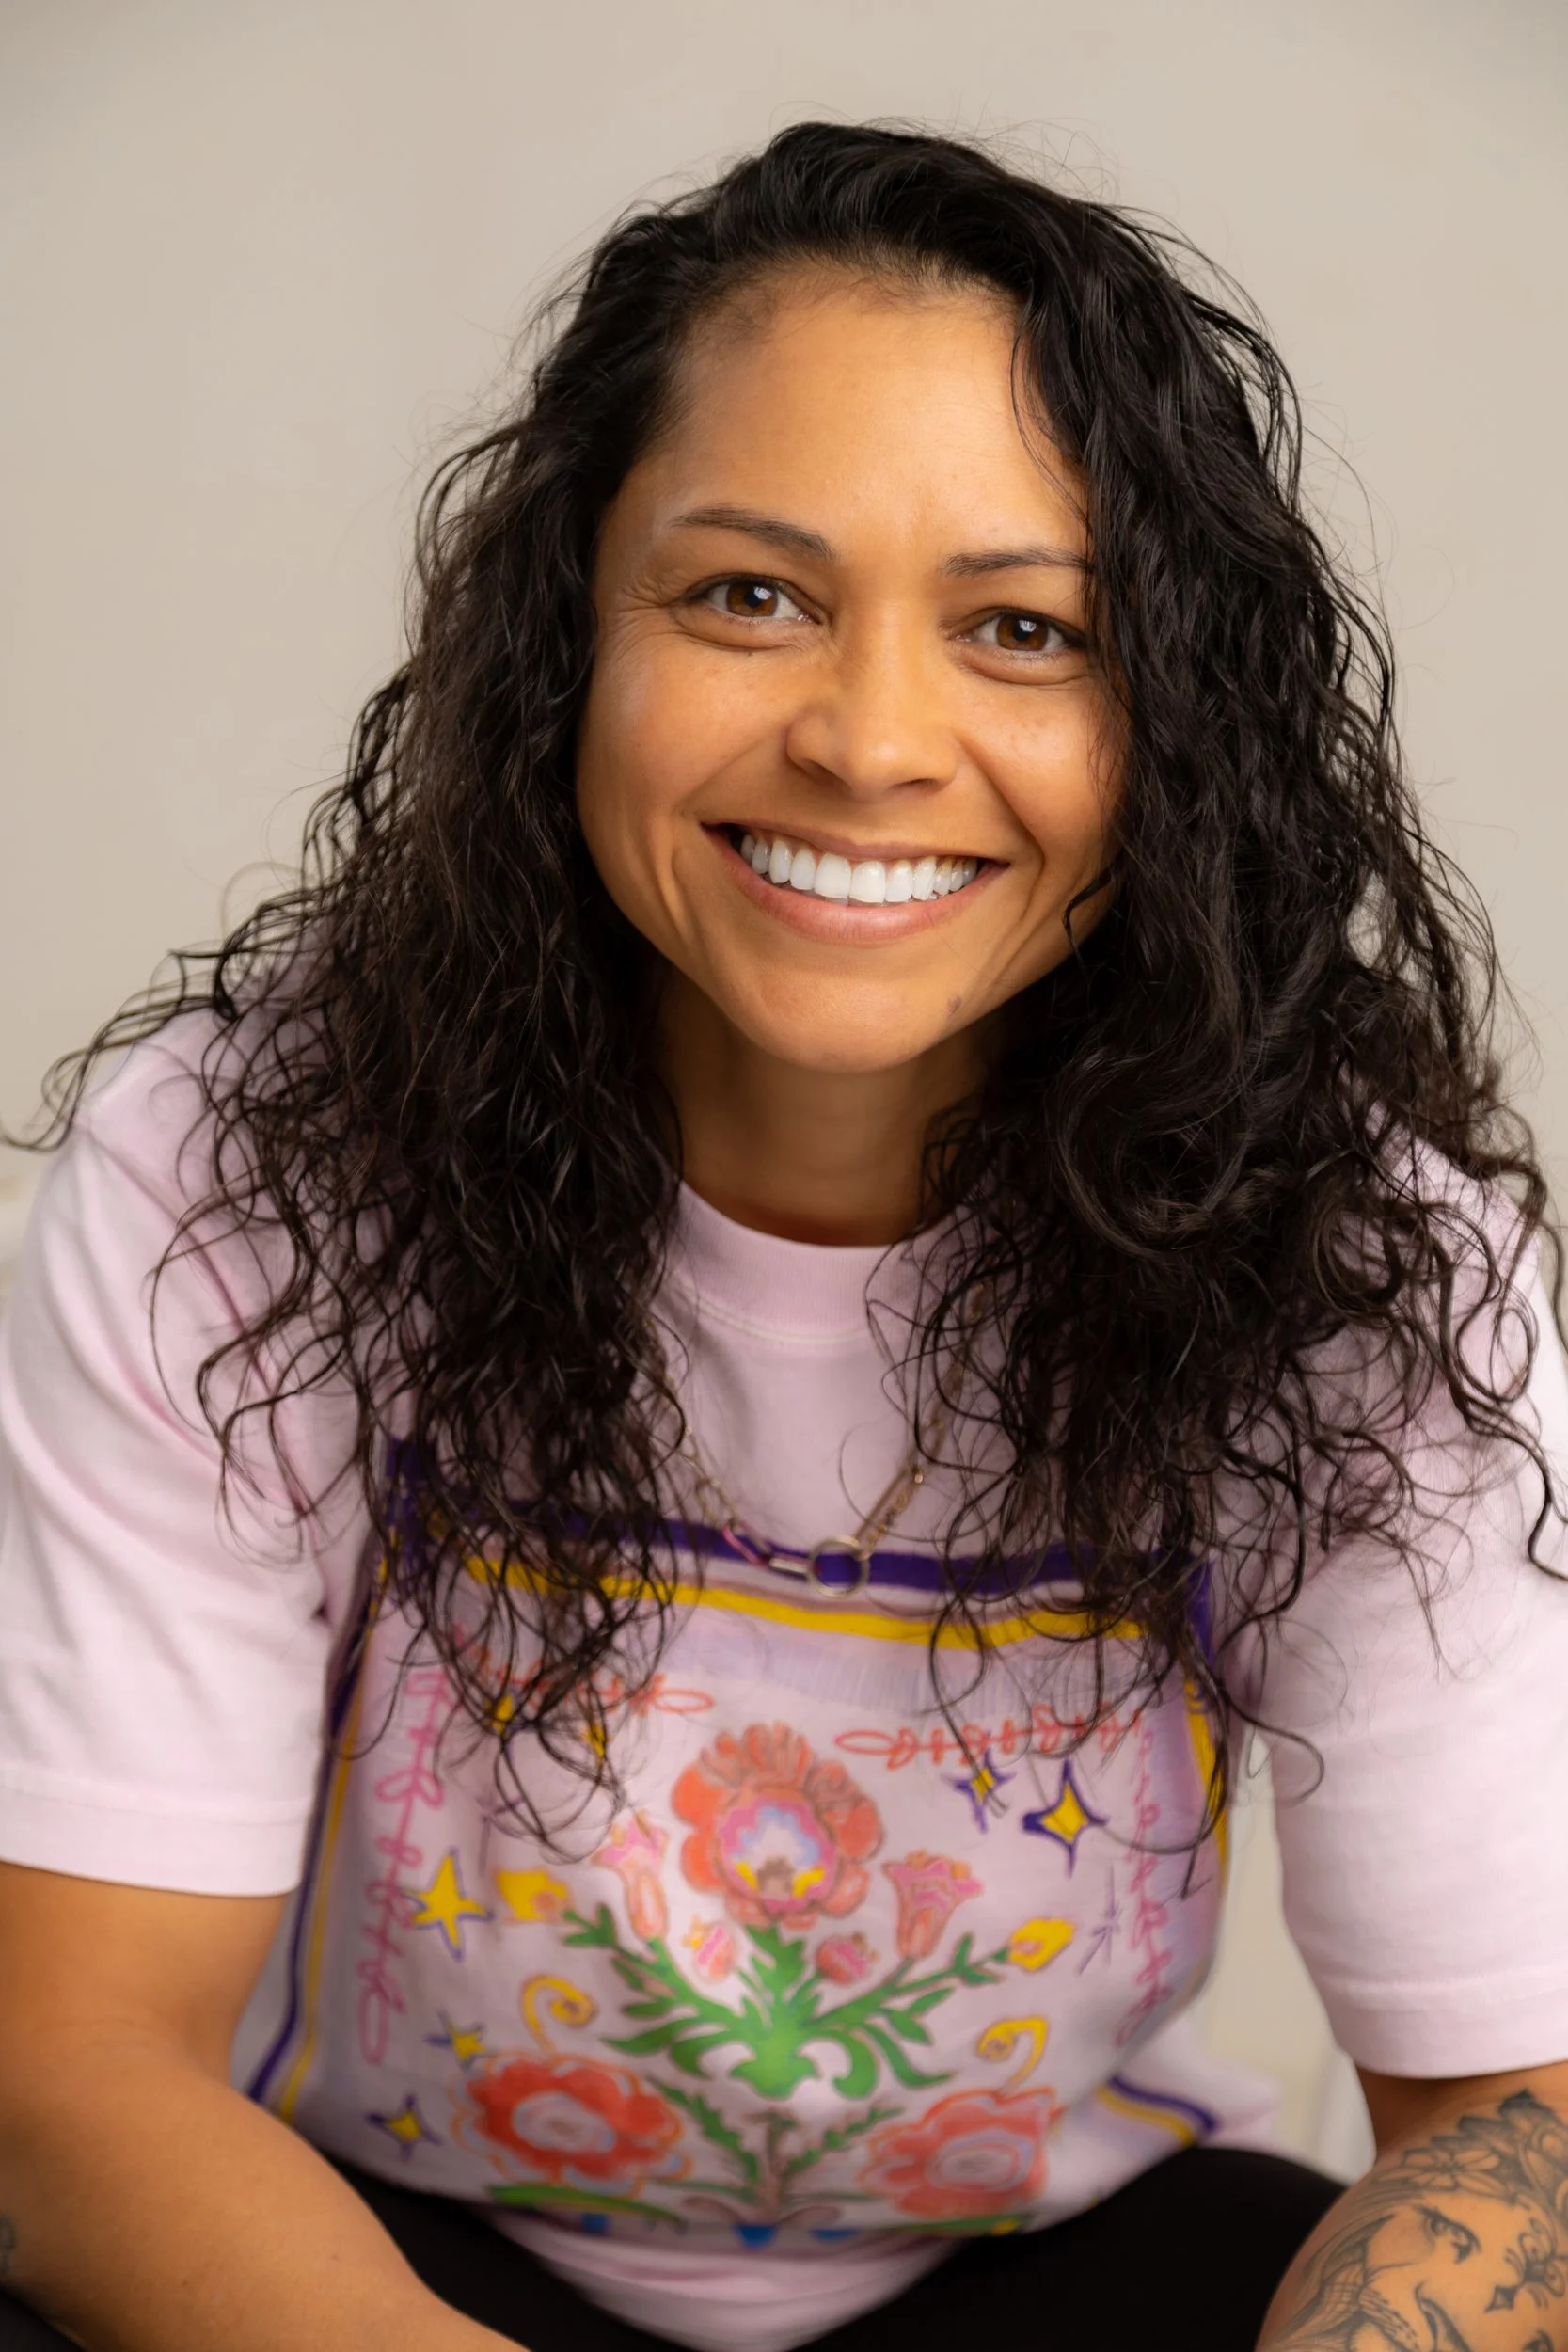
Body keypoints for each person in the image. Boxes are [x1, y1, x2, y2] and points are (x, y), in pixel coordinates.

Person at [0, 119, 1564, 2352]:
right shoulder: (244, 1172)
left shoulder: (1360, 1274)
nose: (867, 737)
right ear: (567, 643)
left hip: (1052, 2275)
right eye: (748, 594)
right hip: (381, 2252)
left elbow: (1519, 2111)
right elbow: (66, 2077)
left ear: (1172, 735)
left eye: (1022, 631)